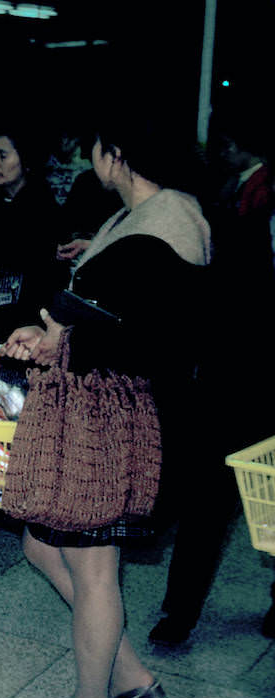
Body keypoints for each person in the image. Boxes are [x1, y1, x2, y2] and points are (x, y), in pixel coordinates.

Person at [0, 104, 212, 698]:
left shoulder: (159, 224)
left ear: (115, 153)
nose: (88, 158)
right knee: (44, 544)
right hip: (109, 407)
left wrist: (51, 335)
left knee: (92, 564)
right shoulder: (155, 213)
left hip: (116, 416)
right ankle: (129, 676)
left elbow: (131, 332)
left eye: (93, 147)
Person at [148, 112, 274, 646]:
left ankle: (180, 615)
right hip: (239, 370)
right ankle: (181, 611)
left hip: (237, 370)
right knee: (222, 496)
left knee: (214, 498)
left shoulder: (236, 205)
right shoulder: (234, 202)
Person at [0, 126, 68, 330]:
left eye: (3, 156)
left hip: (32, 315)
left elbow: (42, 272)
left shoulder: (41, 203)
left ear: (26, 159)